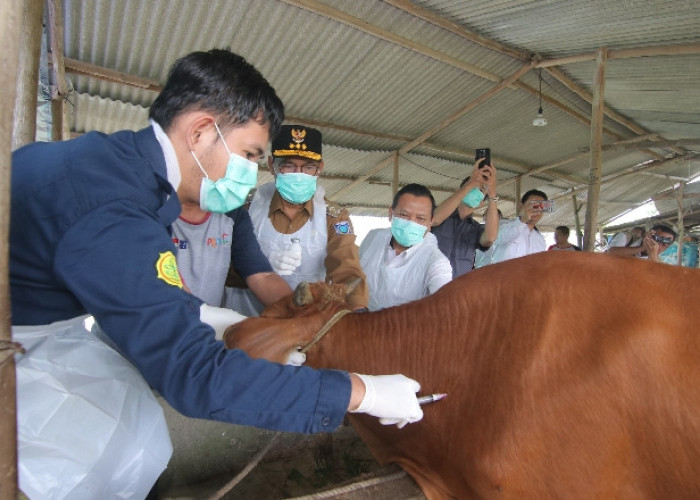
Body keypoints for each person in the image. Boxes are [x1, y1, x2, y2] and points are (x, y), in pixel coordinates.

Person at [10, 49, 422, 497]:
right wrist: (359, 393)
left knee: (132, 438)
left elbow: (147, 282)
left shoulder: (119, 170)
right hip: (21, 348)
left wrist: (206, 316)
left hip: (45, 330)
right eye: (249, 154)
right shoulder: (117, 209)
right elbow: (194, 375)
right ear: (202, 130)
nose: (249, 173)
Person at [225, 124, 368, 315]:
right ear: (271, 165)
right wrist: (256, 265)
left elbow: (346, 267)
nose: (298, 175)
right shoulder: (246, 208)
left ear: (320, 168)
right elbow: (220, 264)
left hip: (304, 326)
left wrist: (358, 310)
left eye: (308, 167)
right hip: (245, 319)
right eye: (288, 165)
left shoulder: (332, 217)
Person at [172, 203, 292, 313]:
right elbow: (167, 286)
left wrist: (296, 311)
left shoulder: (232, 214)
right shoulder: (157, 217)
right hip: (165, 322)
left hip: (207, 324)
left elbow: (261, 276)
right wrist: (204, 315)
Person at [359, 184, 452, 311]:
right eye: (404, 215)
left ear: (430, 223)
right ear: (391, 213)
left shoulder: (437, 263)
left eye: (420, 218)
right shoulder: (374, 237)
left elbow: (445, 306)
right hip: (361, 323)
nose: (411, 223)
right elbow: (354, 277)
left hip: (407, 329)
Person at [431, 158, 499, 277]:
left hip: (458, 288)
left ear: (482, 202)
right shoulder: (441, 214)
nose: (475, 191)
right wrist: (471, 183)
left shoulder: (476, 229)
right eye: (471, 187)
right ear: (460, 191)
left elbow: (490, 238)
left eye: (481, 190)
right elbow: (434, 219)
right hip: (431, 286)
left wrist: (492, 193)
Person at [489, 189, 549, 264]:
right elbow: (499, 238)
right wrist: (522, 220)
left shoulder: (540, 239)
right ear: (521, 205)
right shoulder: (504, 225)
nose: (537, 210)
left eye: (541, 206)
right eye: (533, 205)